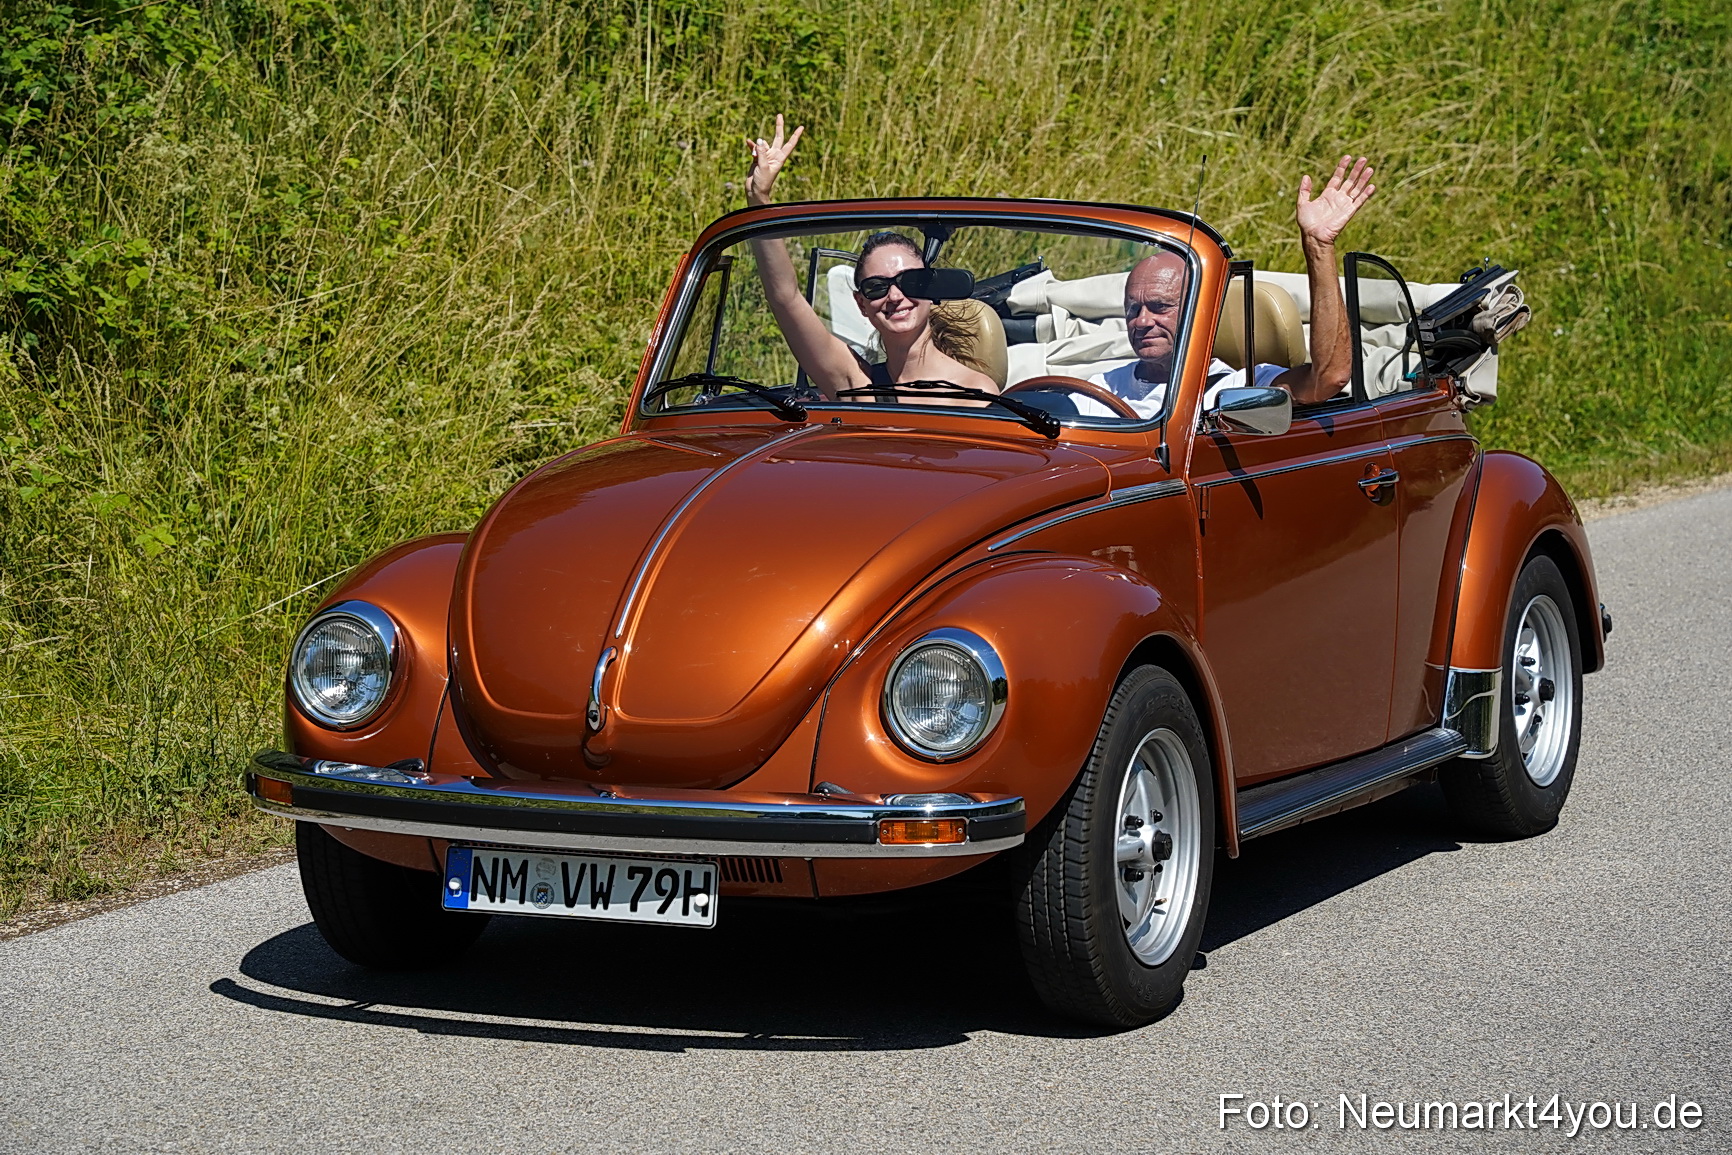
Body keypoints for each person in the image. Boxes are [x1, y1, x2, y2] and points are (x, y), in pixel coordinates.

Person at [1087, 155, 1378, 418]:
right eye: (1133, 308)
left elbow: (1328, 379)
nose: (1142, 321)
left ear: (1196, 312)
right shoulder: (1098, 389)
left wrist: (1318, 246)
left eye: (1160, 307)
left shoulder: (1240, 386)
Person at [744, 116, 999, 400]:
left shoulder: (976, 394)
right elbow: (784, 296)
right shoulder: (857, 384)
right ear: (861, 303)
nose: (894, 296)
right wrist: (759, 200)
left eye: (909, 281)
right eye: (876, 287)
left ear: (931, 287)